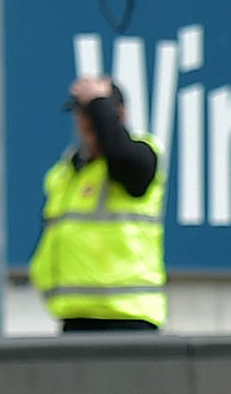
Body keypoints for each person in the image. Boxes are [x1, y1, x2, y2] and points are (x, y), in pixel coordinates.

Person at [31, 75, 168, 331]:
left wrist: (98, 102)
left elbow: (121, 155)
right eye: (82, 113)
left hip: (129, 319)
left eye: (95, 113)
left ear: (118, 115)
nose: (87, 122)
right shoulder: (67, 171)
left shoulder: (142, 154)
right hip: (75, 316)